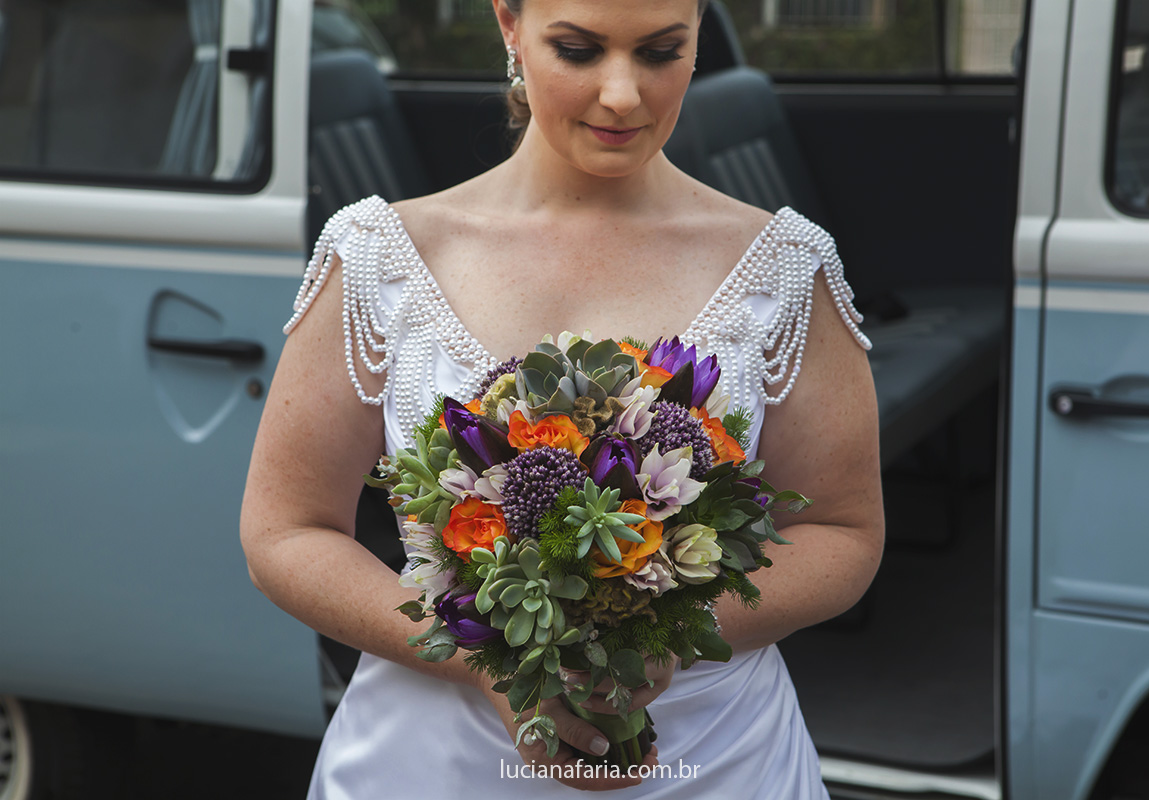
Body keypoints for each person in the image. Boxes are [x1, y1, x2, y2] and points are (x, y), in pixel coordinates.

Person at [240, 0, 884, 795]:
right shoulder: (383, 255)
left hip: (714, 760)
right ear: (509, 24)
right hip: (436, 760)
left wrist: (675, 638)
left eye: (660, 52)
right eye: (579, 50)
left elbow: (843, 529)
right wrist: (487, 661)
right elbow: (286, 530)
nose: (622, 94)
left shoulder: (782, 264)